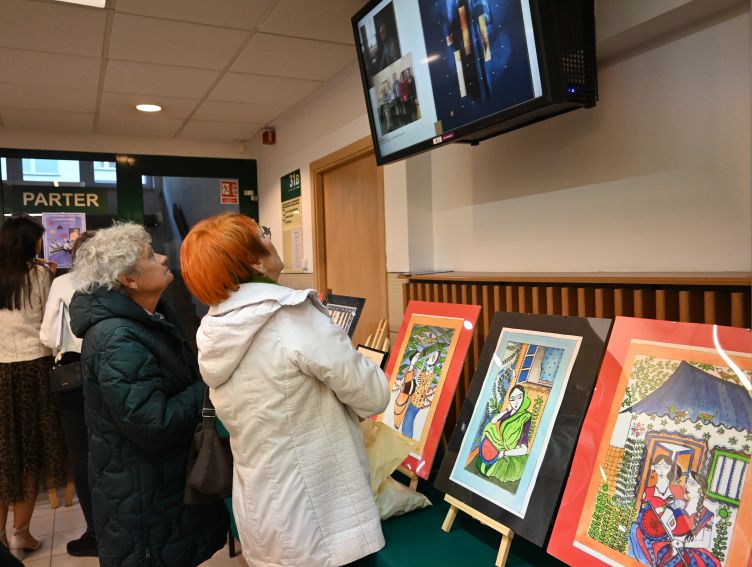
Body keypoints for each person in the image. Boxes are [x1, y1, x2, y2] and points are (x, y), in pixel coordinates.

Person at [180, 213, 390, 567]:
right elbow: (373, 395)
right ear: (253, 259)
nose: (270, 238)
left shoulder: (215, 327)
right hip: (321, 517)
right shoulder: (290, 316)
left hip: (262, 511)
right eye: (262, 234)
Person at [68, 223, 228, 567]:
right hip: (142, 498)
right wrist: (212, 384)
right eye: (150, 256)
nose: (164, 257)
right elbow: (154, 423)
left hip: (156, 488)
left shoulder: (148, 318)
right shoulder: (118, 337)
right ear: (129, 280)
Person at [0, 214, 70, 561]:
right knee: (30, 455)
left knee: (3, 458)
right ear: (29, 243)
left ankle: (0, 537)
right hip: (32, 370)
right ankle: (21, 534)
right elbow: (50, 326)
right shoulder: (41, 275)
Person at [39, 231, 98, 557]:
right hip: (106, 372)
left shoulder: (62, 283)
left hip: (71, 378)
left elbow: (48, 334)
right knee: (110, 451)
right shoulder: (115, 280)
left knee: (81, 453)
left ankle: (94, 534)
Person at [628, 454, 686, 565]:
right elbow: (641, 511)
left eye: (665, 466)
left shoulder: (675, 492)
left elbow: (679, 515)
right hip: (648, 529)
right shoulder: (648, 491)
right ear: (654, 467)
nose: (662, 470)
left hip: (667, 532)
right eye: (659, 466)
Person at [476, 384, 532, 483]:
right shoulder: (509, 413)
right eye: (512, 399)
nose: (516, 402)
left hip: (508, 450)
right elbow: (493, 421)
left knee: (493, 467)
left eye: (519, 397)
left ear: (525, 397)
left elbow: (524, 450)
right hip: (499, 443)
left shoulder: (526, 417)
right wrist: (506, 411)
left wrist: (504, 453)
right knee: (489, 429)